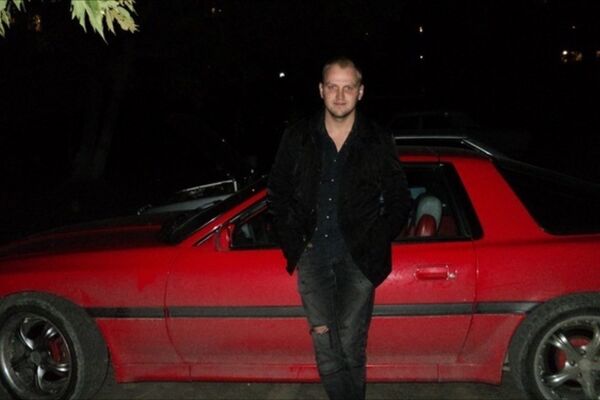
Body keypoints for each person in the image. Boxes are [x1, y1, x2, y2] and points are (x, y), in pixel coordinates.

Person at [267, 57, 411, 400]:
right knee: (325, 344)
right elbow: (277, 193)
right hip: (312, 256)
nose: (340, 95)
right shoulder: (298, 136)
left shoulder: (376, 138)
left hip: (358, 258)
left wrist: (377, 238)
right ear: (321, 90)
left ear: (360, 92)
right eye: (333, 87)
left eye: (348, 87)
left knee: (349, 343)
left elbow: (400, 199)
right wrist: (292, 242)